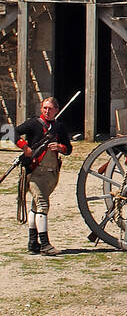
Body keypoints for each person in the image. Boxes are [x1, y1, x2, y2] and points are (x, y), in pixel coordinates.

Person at [15, 95, 72, 255]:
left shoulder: (59, 127)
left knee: (35, 206)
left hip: (51, 173)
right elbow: (11, 132)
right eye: (45, 108)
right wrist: (24, 147)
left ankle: (33, 243)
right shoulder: (33, 123)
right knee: (42, 205)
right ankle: (45, 244)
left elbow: (69, 148)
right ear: (42, 108)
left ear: (56, 111)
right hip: (34, 172)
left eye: (50, 109)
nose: (47, 111)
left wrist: (60, 147)